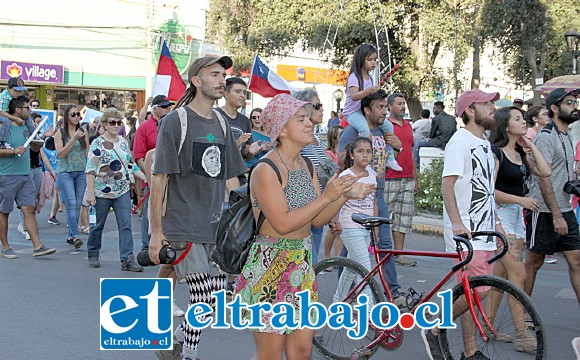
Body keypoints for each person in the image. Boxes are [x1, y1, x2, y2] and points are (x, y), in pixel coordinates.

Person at [234, 93, 374, 360]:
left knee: (302, 351)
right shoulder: (265, 169)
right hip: (269, 268)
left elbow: (317, 220)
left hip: (301, 265)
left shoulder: (305, 163)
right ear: (282, 129)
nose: (310, 123)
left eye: (308, 118)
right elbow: (283, 223)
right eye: (301, 119)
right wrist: (328, 196)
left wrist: (344, 194)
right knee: (271, 355)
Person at [150, 55, 247, 360]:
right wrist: (156, 233)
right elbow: (159, 179)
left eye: (224, 75)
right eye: (215, 74)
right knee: (202, 295)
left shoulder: (220, 122)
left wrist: (248, 216)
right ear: (196, 80)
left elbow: (232, 177)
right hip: (182, 223)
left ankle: (177, 339)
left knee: (216, 300)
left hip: (214, 227)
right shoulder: (174, 121)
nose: (222, 80)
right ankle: (189, 355)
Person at [422, 88, 504, 360]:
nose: (492, 107)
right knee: (477, 291)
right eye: (486, 104)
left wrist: (498, 224)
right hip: (468, 231)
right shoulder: (461, 142)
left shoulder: (483, 144)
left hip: (484, 230)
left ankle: (470, 351)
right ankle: (434, 328)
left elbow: (487, 191)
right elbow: (448, 185)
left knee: (470, 291)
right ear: (470, 110)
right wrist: (457, 224)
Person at [487, 106, 551, 351]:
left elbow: (545, 171)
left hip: (516, 217)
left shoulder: (519, 153)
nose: (523, 121)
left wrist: (529, 144)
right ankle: (522, 334)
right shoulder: (496, 154)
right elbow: (489, 191)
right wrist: (521, 200)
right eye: (518, 119)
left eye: (524, 119)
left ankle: (488, 324)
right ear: (505, 125)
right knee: (519, 274)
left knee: (502, 275)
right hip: (500, 216)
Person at [338, 89, 406, 307]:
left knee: (382, 243)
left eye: (386, 107)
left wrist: (398, 146)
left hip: (377, 193)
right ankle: (355, 299)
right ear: (366, 110)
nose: (384, 112)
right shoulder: (353, 132)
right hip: (353, 198)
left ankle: (391, 292)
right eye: (380, 107)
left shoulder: (385, 132)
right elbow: (341, 162)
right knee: (353, 253)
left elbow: (394, 156)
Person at [524, 88, 580, 307]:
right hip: (545, 210)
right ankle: (523, 315)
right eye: (569, 103)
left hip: (565, 207)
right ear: (554, 108)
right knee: (534, 262)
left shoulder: (566, 135)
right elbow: (543, 178)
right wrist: (556, 215)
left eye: (575, 102)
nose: (574, 107)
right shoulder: (546, 137)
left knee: (576, 260)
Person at [85, 109, 146, 271]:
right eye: (112, 122)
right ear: (104, 124)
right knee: (98, 224)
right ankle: (93, 253)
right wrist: (90, 193)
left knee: (125, 225)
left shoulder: (123, 142)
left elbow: (130, 165)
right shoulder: (97, 143)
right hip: (102, 191)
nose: (116, 126)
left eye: (119, 123)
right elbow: (90, 169)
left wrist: (147, 179)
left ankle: (127, 259)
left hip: (122, 190)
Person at [0, 95, 56, 259]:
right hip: (6, 175)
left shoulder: (28, 126)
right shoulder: (4, 126)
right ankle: (5, 246)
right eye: (27, 108)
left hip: (26, 174)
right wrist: (13, 151)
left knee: (29, 210)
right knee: (4, 212)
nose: (30, 111)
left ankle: (37, 246)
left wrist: (42, 138)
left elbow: (34, 146)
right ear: (17, 110)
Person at [342, 44, 402, 171]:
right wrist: (369, 91)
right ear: (361, 59)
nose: (373, 63)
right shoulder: (354, 77)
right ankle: (367, 161)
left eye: (375, 60)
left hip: (362, 110)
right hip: (352, 112)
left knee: (389, 126)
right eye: (370, 60)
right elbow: (354, 96)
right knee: (364, 130)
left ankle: (390, 157)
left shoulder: (369, 77)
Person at [334, 136, 378, 304]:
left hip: (367, 227)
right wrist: (334, 221)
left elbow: (373, 202)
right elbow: (334, 200)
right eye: (360, 152)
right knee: (365, 270)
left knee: (351, 269)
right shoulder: (346, 175)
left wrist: (375, 227)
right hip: (350, 225)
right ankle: (369, 312)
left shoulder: (372, 175)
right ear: (351, 155)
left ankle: (337, 302)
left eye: (368, 152)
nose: (365, 156)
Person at [294, 88, 332, 264]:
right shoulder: (298, 142)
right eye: (317, 106)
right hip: (305, 210)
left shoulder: (317, 139)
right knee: (309, 264)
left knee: (312, 265)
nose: (322, 109)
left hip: (320, 208)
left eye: (321, 105)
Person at [133, 94, 172, 252]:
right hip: (151, 177)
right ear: (154, 109)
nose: (168, 108)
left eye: (169, 106)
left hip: (170, 179)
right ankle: (145, 247)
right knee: (150, 212)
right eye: (164, 106)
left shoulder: (172, 125)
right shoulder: (144, 128)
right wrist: (150, 178)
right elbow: (139, 157)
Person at [385, 92, 418, 266]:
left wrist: (415, 177)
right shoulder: (386, 125)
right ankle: (379, 251)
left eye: (403, 103)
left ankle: (399, 254)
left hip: (406, 177)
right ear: (390, 106)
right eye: (398, 103)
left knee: (403, 218)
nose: (402, 106)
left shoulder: (407, 126)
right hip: (389, 177)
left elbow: (411, 152)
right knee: (383, 216)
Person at [54, 104, 89, 250]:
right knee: (71, 203)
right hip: (65, 171)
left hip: (81, 170)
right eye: (73, 115)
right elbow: (61, 154)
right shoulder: (59, 133)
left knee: (78, 204)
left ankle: (71, 235)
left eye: (78, 115)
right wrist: (73, 138)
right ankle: (75, 235)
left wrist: (91, 169)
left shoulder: (83, 131)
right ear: (67, 117)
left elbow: (86, 150)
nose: (76, 117)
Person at [216, 77, 262, 165]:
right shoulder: (214, 115)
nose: (243, 96)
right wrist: (236, 143)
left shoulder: (245, 120)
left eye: (244, 93)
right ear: (226, 94)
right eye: (238, 91)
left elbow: (246, 155)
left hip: (238, 172)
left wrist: (251, 151)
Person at [414, 101, 457, 168]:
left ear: (439, 109)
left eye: (434, 109)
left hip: (439, 142)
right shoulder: (452, 118)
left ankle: (418, 166)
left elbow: (432, 134)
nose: (433, 111)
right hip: (450, 142)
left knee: (418, 145)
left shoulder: (436, 118)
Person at [323, 125, 344, 261]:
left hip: (344, 190)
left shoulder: (346, 151)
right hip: (334, 190)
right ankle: (327, 256)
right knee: (333, 227)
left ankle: (338, 258)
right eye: (340, 134)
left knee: (341, 228)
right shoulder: (329, 154)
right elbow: (332, 172)